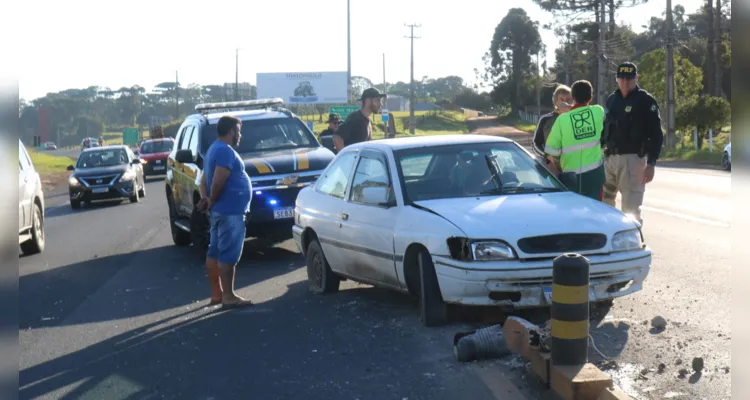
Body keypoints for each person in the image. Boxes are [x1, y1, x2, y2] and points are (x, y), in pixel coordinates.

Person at [197, 115, 254, 309]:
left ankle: (217, 295)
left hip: (219, 211)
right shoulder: (225, 151)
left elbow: (203, 180)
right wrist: (211, 200)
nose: (240, 135)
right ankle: (228, 296)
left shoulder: (213, 149)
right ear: (231, 131)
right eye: (238, 131)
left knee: (214, 251)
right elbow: (219, 178)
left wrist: (206, 199)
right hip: (229, 212)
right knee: (228, 255)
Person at [601, 61, 664, 224]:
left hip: (633, 159)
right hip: (610, 159)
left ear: (637, 78)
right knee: (604, 205)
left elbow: (656, 134)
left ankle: (633, 245)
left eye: (629, 78)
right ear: (616, 79)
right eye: (622, 78)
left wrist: (651, 163)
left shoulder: (645, 101)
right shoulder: (612, 99)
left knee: (630, 211)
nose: (625, 82)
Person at [544, 80, 606, 200]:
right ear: (591, 97)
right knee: (595, 213)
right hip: (595, 177)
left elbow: (551, 152)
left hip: (571, 179)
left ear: (573, 97)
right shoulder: (598, 111)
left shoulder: (561, 120)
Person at [332, 87, 386, 152]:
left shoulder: (369, 121)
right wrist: (346, 158)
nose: (380, 104)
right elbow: (337, 137)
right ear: (367, 101)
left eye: (380, 101)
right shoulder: (355, 118)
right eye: (377, 100)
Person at [532, 84, 573, 160]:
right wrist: (547, 156)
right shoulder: (545, 119)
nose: (565, 103)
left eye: (568, 100)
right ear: (556, 101)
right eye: (562, 100)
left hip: (572, 165)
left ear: (573, 101)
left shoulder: (577, 119)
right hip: (551, 167)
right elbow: (536, 144)